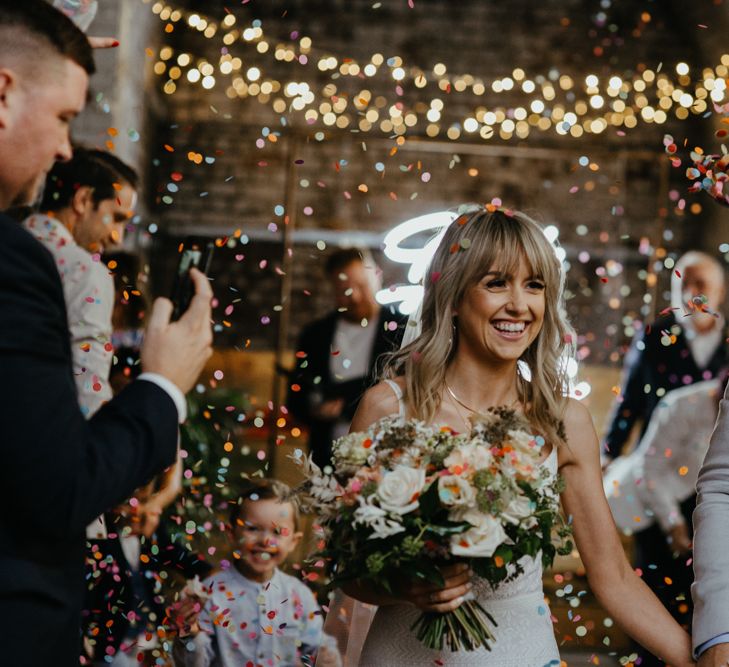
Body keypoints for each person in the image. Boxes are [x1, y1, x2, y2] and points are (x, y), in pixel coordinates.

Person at [332, 207, 693, 666]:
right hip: (403, 654)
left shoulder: (563, 421)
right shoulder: (386, 408)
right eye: (496, 282)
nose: (520, 305)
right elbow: (347, 570)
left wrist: (698, 659)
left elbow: (615, 578)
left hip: (518, 651)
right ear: (455, 295)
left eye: (535, 285)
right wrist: (405, 584)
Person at [0, 3, 212, 665]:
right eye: (65, 116)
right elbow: (59, 480)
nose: (66, 148)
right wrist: (161, 387)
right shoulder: (39, 264)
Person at [604, 372, 729, 665]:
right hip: (649, 505)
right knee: (658, 589)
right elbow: (650, 469)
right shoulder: (682, 405)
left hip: (694, 501)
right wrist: (672, 522)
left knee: (692, 591)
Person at [171, 478, 341, 667]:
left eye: (278, 532)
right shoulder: (209, 594)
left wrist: (325, 656)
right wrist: (189, 633)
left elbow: (319, 651)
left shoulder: (299, 596)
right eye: (252, 528)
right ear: (232, 534)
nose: (266, 541)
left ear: (294, 541)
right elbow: (192, 664)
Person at [603, 251, 727, 460]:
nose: (690, 294)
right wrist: (608, 455)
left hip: (715, 469)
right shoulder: (653, 337)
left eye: (700, 284)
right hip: (655, 463)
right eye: (683, 285)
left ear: (720, 291)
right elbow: (629, 402)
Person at [288, 248, 406, 468]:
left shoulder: (402, 329)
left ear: (377, 276)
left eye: (361, 285)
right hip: (327, 456)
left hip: (388, 456)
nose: (356, 297)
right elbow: (296, 397)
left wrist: (346, 405)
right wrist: (316, 410)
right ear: (333, 290)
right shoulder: (315, 335)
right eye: (345, 290)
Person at [81, 497, 212, 667]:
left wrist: (211, 574)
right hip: (109, 643)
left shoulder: (152, 535)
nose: (155, 512)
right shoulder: (99, 533)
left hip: (150, 638)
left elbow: (181, 558)